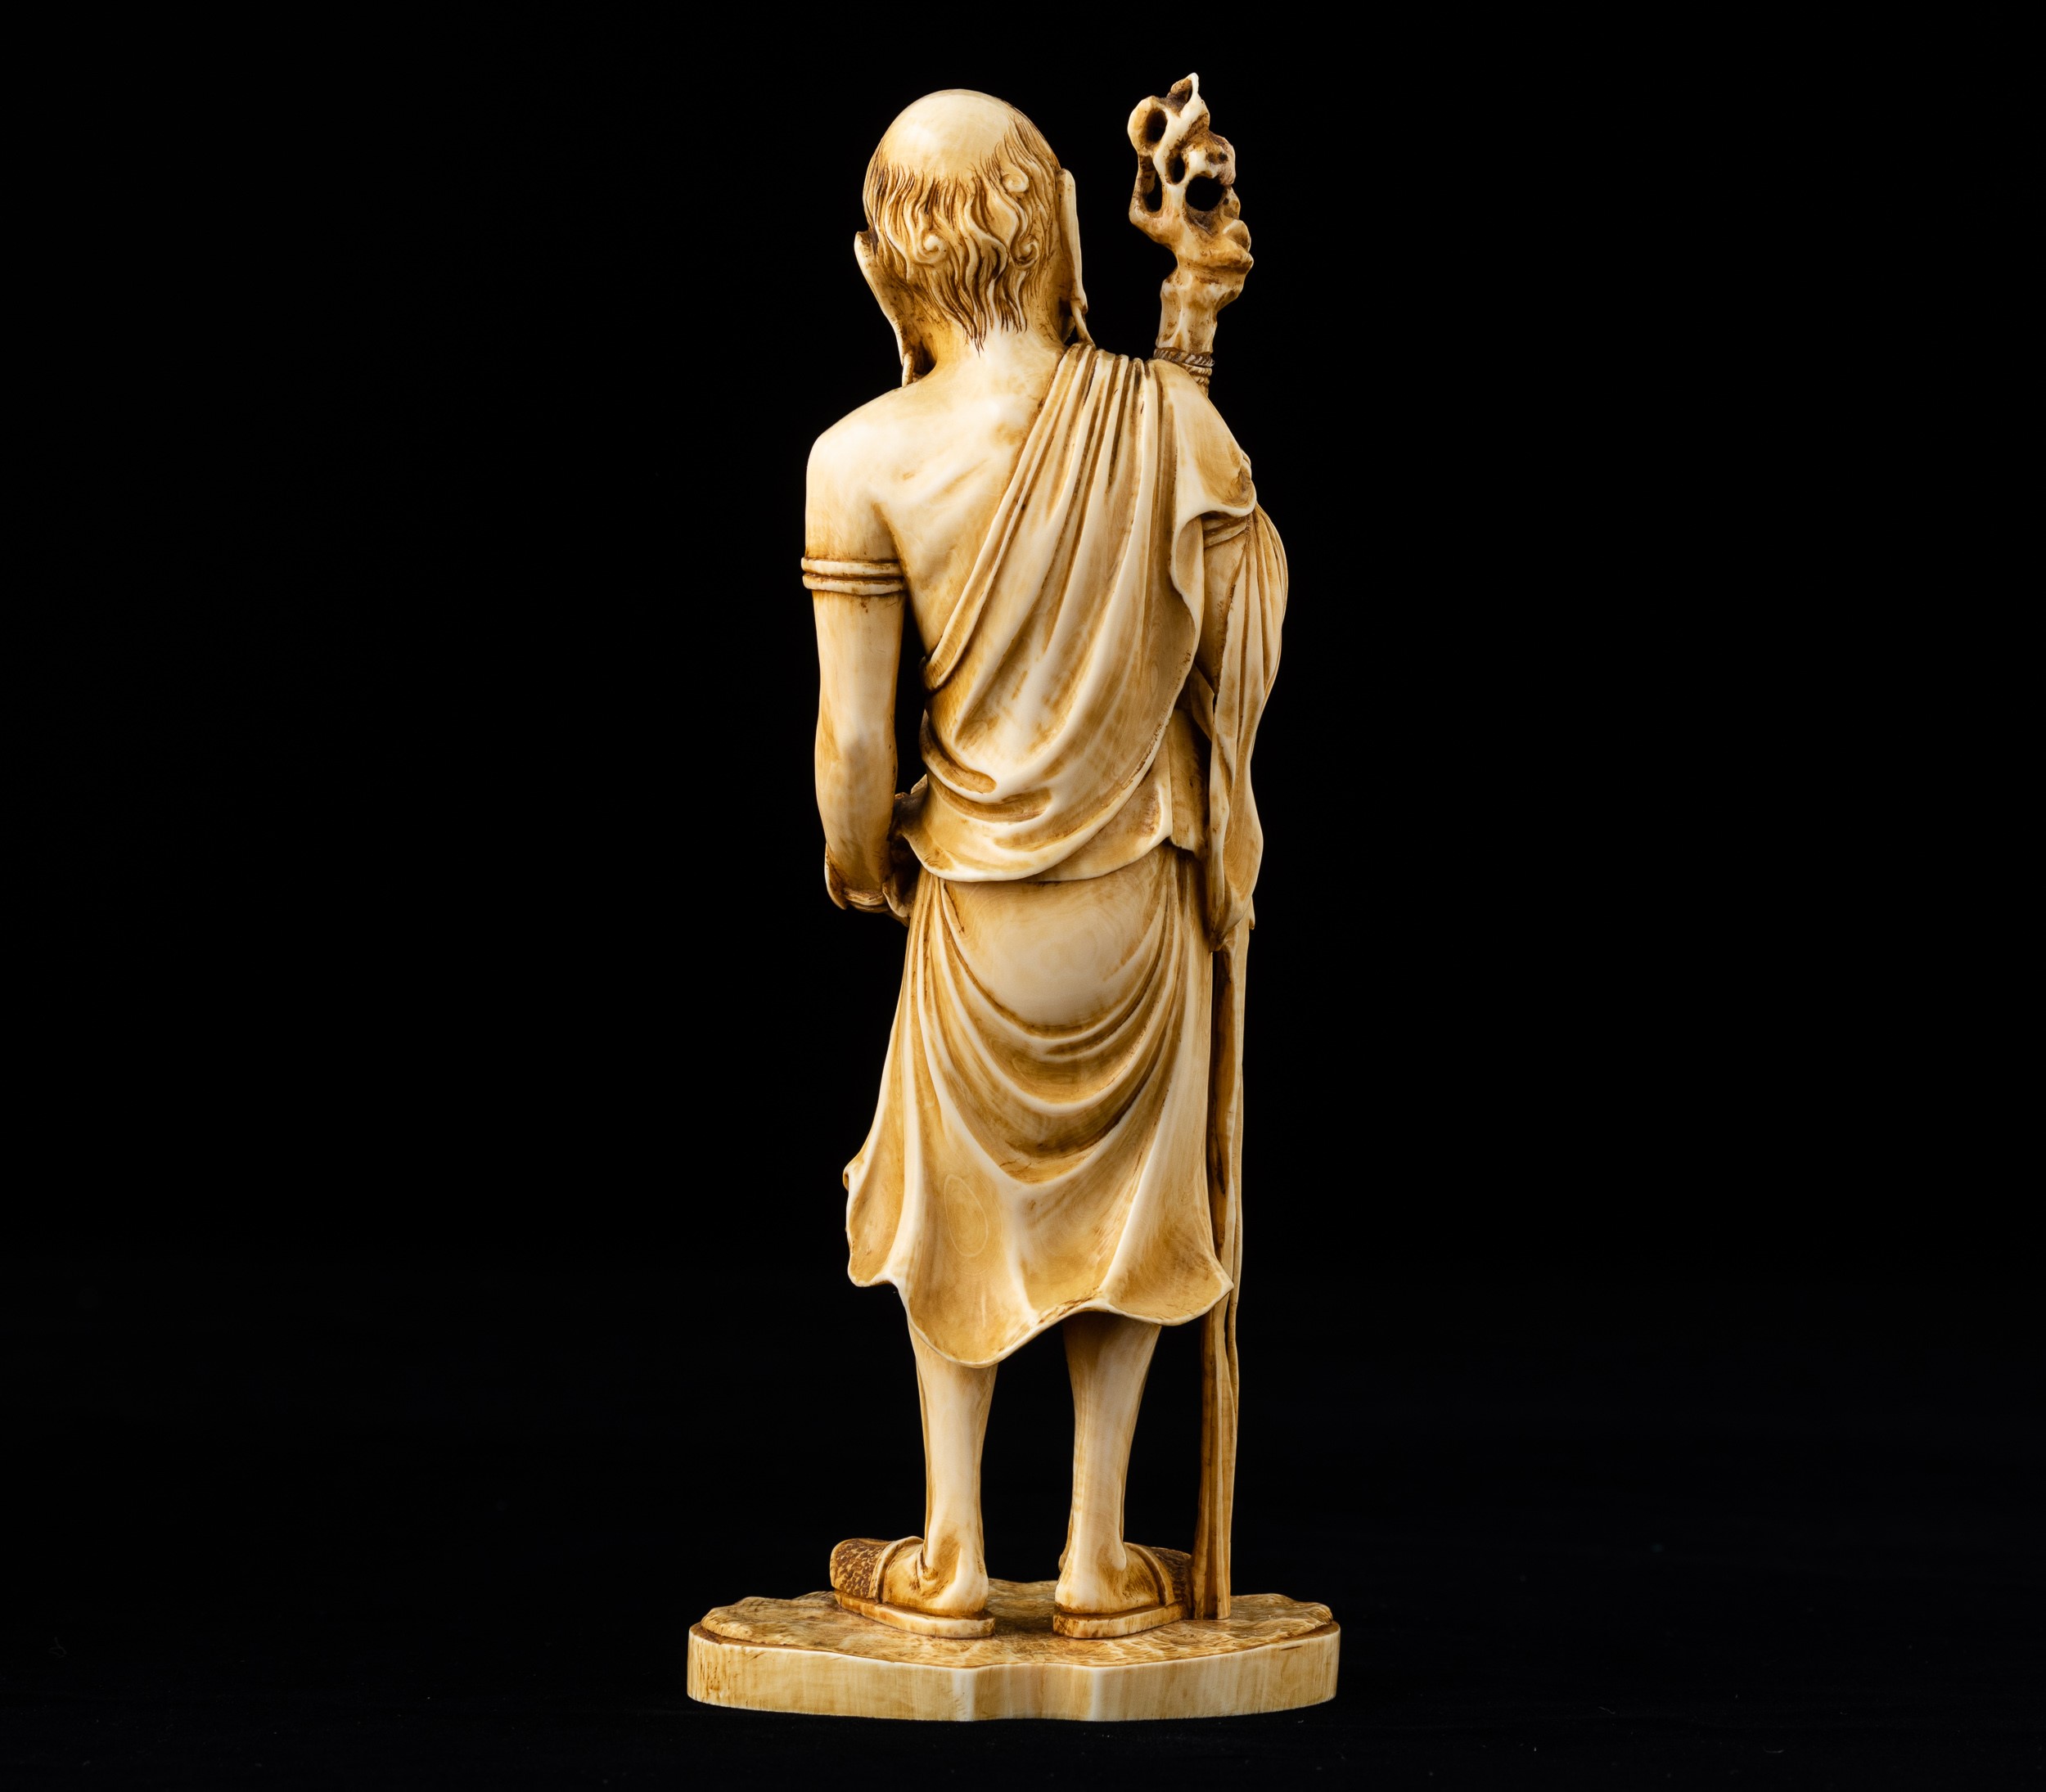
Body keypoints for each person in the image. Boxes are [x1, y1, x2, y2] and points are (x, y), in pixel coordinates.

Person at [804, 88, 1285, 1640]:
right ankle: (1092, 1554)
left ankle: (951, 1549)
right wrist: (1188, 325)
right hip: (1136, 902)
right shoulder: (1159, 416)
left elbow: (854, 744)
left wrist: (857, 863)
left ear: (886, 266)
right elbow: (1216, 605)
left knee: (955, 1212)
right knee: (1123, 1216)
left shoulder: (860, 457)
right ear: (1063, 228)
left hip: (977, 902)